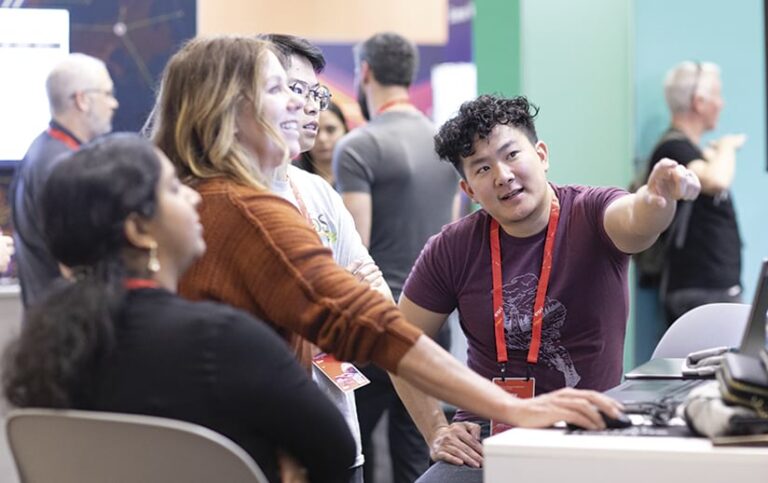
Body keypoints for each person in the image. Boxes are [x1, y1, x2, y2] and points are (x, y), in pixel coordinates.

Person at [147, 35, 625, 460]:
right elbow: (367, 324)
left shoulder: (183, 197)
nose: (302, 106)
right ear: (227, 110)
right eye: (279, 91)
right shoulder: (251, 210)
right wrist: (506, 408)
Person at [2, 134, 356, 483]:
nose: (192, 195)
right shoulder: (222, 340)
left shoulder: (40, 351)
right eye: (173, 188)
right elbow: (337, 453)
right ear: (140, 230)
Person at [391, 94, 701, 483]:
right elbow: (397, 342)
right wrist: (436, 428)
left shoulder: (591, 212)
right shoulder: (452, 247)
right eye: (482, 168)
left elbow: (639, 222)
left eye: (511, 155)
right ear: (469, 190)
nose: (502, 175)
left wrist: (658, 199)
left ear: (541, 155)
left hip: (584, 428)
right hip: (488, 436)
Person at [259, 33, 389, 483]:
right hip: (259, 445)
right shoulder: (228, 198)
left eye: (316, 92)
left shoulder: (315, 190)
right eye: (295, 89)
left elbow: (372, 292)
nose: (310, 105)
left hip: (334, 434)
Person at [333, 32, 458, 483]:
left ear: (364, 71)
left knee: (351, 450)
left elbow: (352, 246)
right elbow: (453, 232)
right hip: (434, 325)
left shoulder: (359, 146)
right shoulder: (445, 144)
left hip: (376, 327)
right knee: (418, 453)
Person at [10, 53, 118, 308]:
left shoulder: (41, 151)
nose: (114, 103)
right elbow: (76, 268)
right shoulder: (63, 167)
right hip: (68, 332)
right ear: (82, 100)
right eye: (107, 93)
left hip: (47, 326)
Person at [646, 61, 745, 324]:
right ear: (699, 102)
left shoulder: (687, 152)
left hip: (708, 288)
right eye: (717, 96)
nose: (721, 104)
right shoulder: (673, 150)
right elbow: (717, 179)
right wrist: (727, 147)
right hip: (700, 291)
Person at [294, 100, 349, 186]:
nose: (322, 139)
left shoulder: (360, 174)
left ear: (345, 130)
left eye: (331, 129)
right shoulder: (291, 176)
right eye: (314, 129)